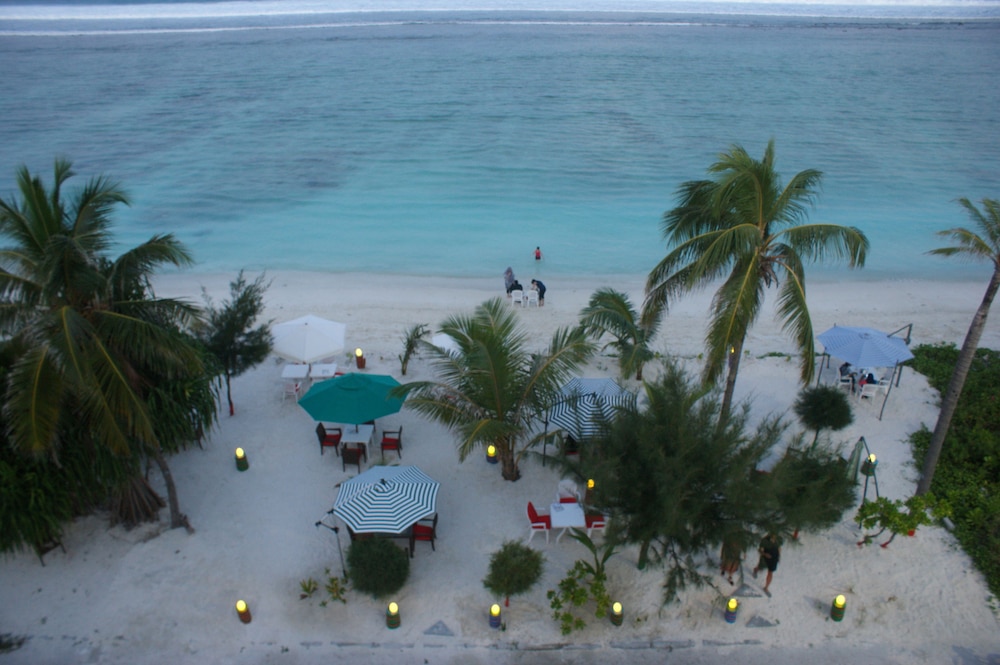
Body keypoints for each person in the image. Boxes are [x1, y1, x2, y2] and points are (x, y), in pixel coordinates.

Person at [752, 532, 781, 597]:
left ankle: (766, 587)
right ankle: (755, 570)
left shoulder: (777, 540)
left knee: (770, 573)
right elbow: (760, 550)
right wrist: (765, 554)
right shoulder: (765, 540)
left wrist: (779, 556)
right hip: (765, 558)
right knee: (760, 567)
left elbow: (779, 548)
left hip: (773, 559)